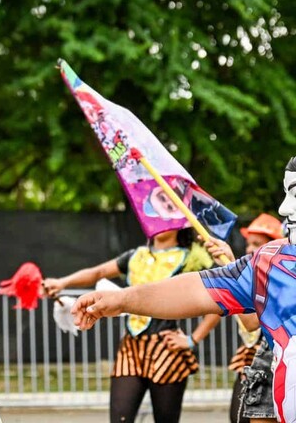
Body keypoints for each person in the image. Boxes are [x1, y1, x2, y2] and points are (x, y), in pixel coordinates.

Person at [72, 156, 296, 423]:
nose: (284, 208)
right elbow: (200, 290)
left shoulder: (192, 256)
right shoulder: (269, 262)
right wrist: (121, 299)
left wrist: (191, 339)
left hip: (170, 357)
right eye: (286, 193)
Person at [43, 228, 220, 422]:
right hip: (131, 348)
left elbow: (217, 299)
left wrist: (191, 339)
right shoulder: (136, 256)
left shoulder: (191, 259)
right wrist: (62, 282)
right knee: (120, 418)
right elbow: (99, 272)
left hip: (167, 350)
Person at [212, 214, 285, 423]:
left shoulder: (279, 278)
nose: (250, 249)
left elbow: (251, 322)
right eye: (248, 244)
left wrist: (232, 271)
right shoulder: (257, 276)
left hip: (275, 364)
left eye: (257, 244)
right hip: (253, 362)